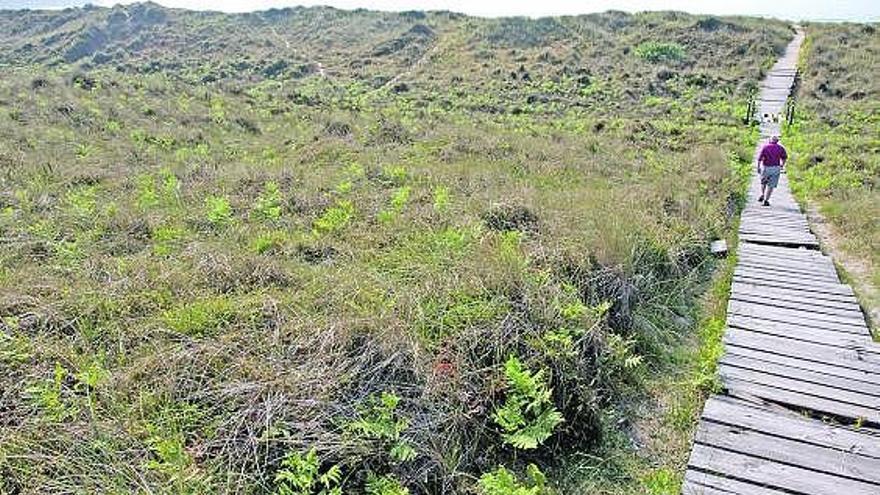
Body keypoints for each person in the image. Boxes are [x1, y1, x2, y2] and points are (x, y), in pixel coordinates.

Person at [757, 135, 788, 206]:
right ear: (777, 141)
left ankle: (762, 194)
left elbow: (759, 159)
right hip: (775, 168)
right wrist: (782, 165)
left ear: (770, 140)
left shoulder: (765, 147)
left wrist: (758, 167)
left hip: (766, 167)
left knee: (763, 182)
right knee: (771, 185)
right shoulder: (781, 148)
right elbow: (784, 158)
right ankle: (766, 200)